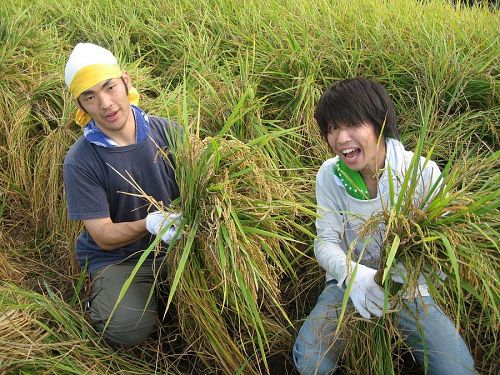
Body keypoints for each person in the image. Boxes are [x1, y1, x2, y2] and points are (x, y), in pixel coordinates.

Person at [293, 78, 475, 374]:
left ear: (380, 122)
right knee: (312, 359)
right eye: (332, 128)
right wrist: (355, 276)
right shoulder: (329, 175)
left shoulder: (422, 172)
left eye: (352, 124)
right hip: (347, 283)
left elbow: (442, 250)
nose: (340, 139)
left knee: (458, 368)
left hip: (409, 289)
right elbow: (324, 242)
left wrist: (401, 277)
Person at [63, 43, 182, 347]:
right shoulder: (81, 160)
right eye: (90, 96)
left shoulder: (168, 132)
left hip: (179, 247)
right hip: (121, 258)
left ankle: (164, 290)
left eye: (110, 87)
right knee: (125, 330)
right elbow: (102, 235)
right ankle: (104, 299)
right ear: (82, 106)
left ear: (127, 82)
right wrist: (150, 224)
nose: (105, 103)